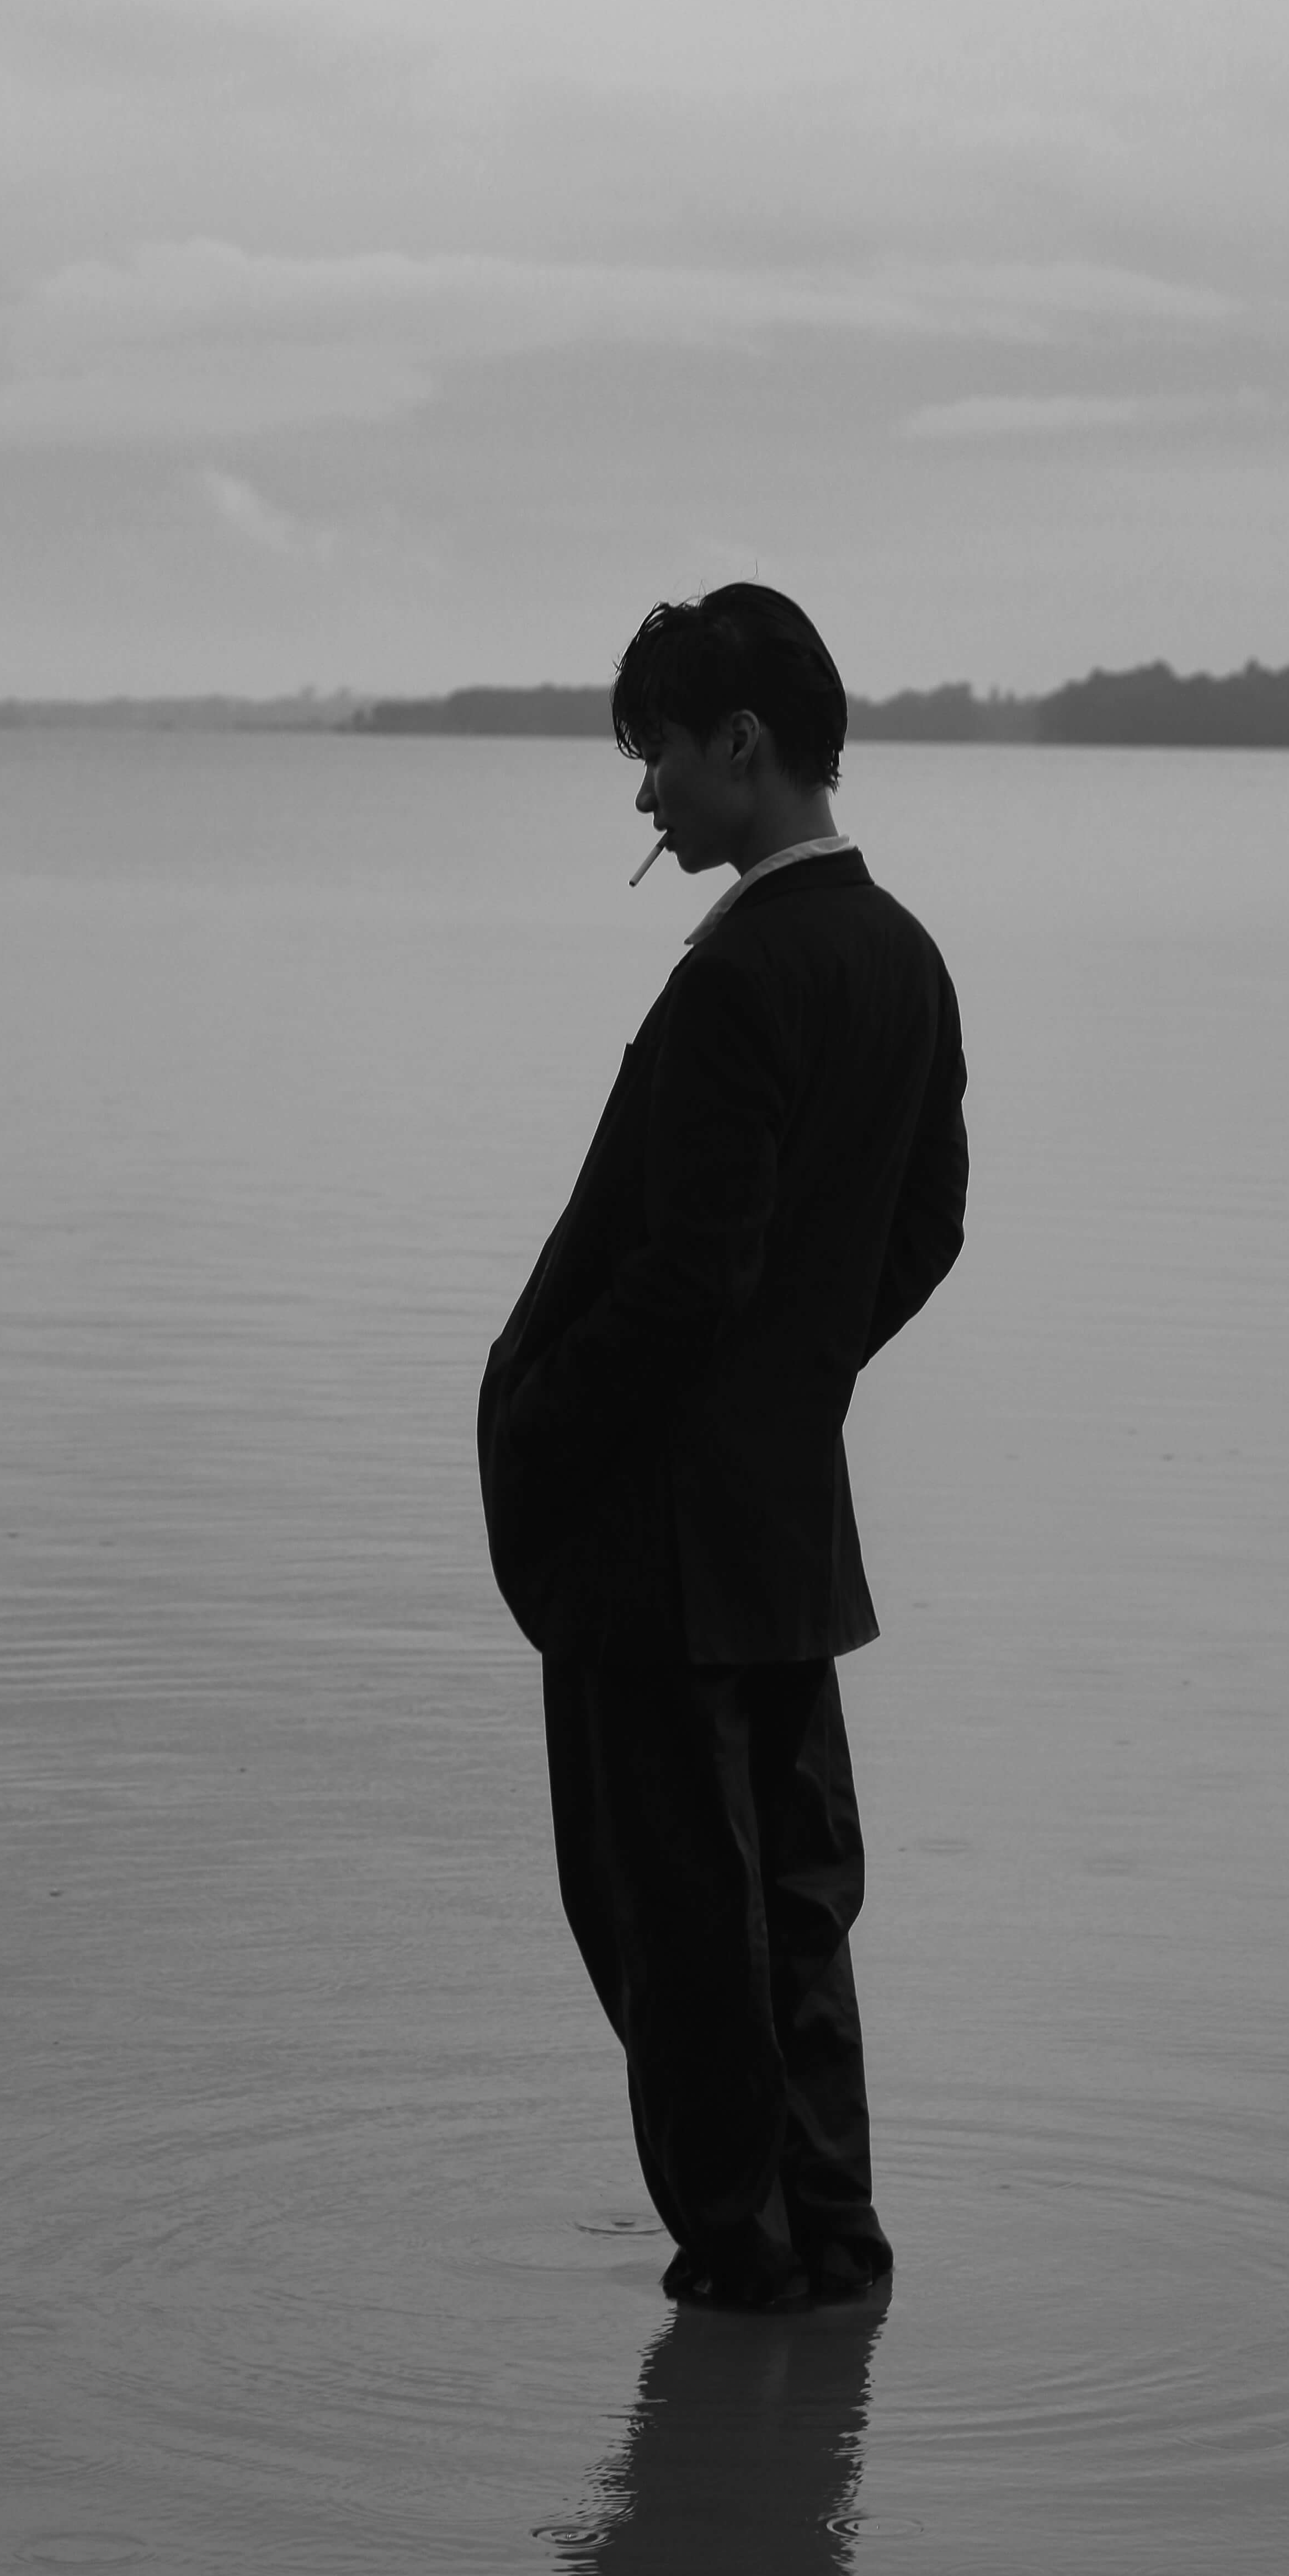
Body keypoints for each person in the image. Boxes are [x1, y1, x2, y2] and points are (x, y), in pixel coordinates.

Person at [478, 582, 968, 2310]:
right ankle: (828, 2244)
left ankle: (743, 2274)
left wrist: (542, 1426)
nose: (644, 799)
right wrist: (796, 1385)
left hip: (664, 1552)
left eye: (660, 757)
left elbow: (684, 1279)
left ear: (742, 749)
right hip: (782, 1534)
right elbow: (925, 1226)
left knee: (679, 1923)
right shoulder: (902, 954)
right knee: (799, 1912)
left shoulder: (746, 973)